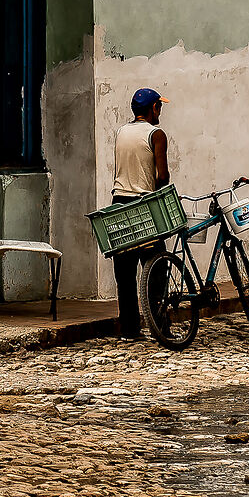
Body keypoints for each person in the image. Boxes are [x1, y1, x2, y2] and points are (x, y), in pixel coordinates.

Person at [111, 88, 170, 338]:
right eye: (160, 107)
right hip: (144, 205)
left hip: (119, 203)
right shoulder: (156, 134)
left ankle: (129, 328)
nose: (161, 111)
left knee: (125, 273)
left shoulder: (121, 132)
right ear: (153, 109)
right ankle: (160, 326)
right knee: (156, 268)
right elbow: (162, 175)